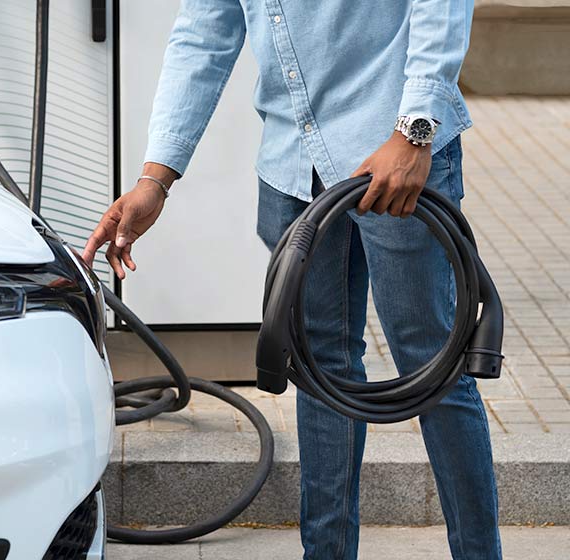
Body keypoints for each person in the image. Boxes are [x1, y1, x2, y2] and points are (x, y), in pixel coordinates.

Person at [80, 1, 500, 558]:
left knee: (432, 364)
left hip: (394, 149)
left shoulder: (408, 139)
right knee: (320, 368)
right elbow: (203, 35)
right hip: (293, 162)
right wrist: (155, 178)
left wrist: (416, 129)